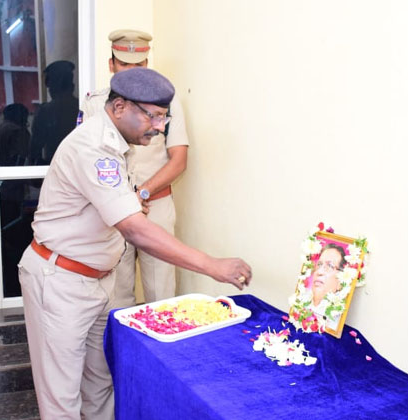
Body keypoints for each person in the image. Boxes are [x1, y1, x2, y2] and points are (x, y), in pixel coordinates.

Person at [18, 67, 252, 420]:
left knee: (100, 384)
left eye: (164, 117)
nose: (159, 127)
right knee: (62, 398)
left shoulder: (116, 143)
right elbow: (136, 230)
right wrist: (212, 266)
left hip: (97, 280)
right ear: (119, 107)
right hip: (60, 280)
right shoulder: (94, 147)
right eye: (153, 117)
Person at [80, 29, 189, 308]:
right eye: (124, 64)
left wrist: (141, 194)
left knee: (162, 298)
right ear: (111, 65)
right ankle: (122, 353)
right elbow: (85, 159)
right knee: (117, 296)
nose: (131, 72)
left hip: (156, 207)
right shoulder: (95, 103)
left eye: (138, 65)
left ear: (147, 64)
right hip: (113, 213)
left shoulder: (168, 101)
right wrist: (123, 201)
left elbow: (179, 159)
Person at [30, 60, 80, 164]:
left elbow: (34, 150)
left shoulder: (45, 111)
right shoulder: (82, 107)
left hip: (55, 169)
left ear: (55, 84)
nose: (49, 90)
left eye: (49, 85)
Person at [310, 243, 347, 317]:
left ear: (340, 281)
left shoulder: (335, 316)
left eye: (330, 266)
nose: (319, 272)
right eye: (319, 264)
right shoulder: (302, 302)